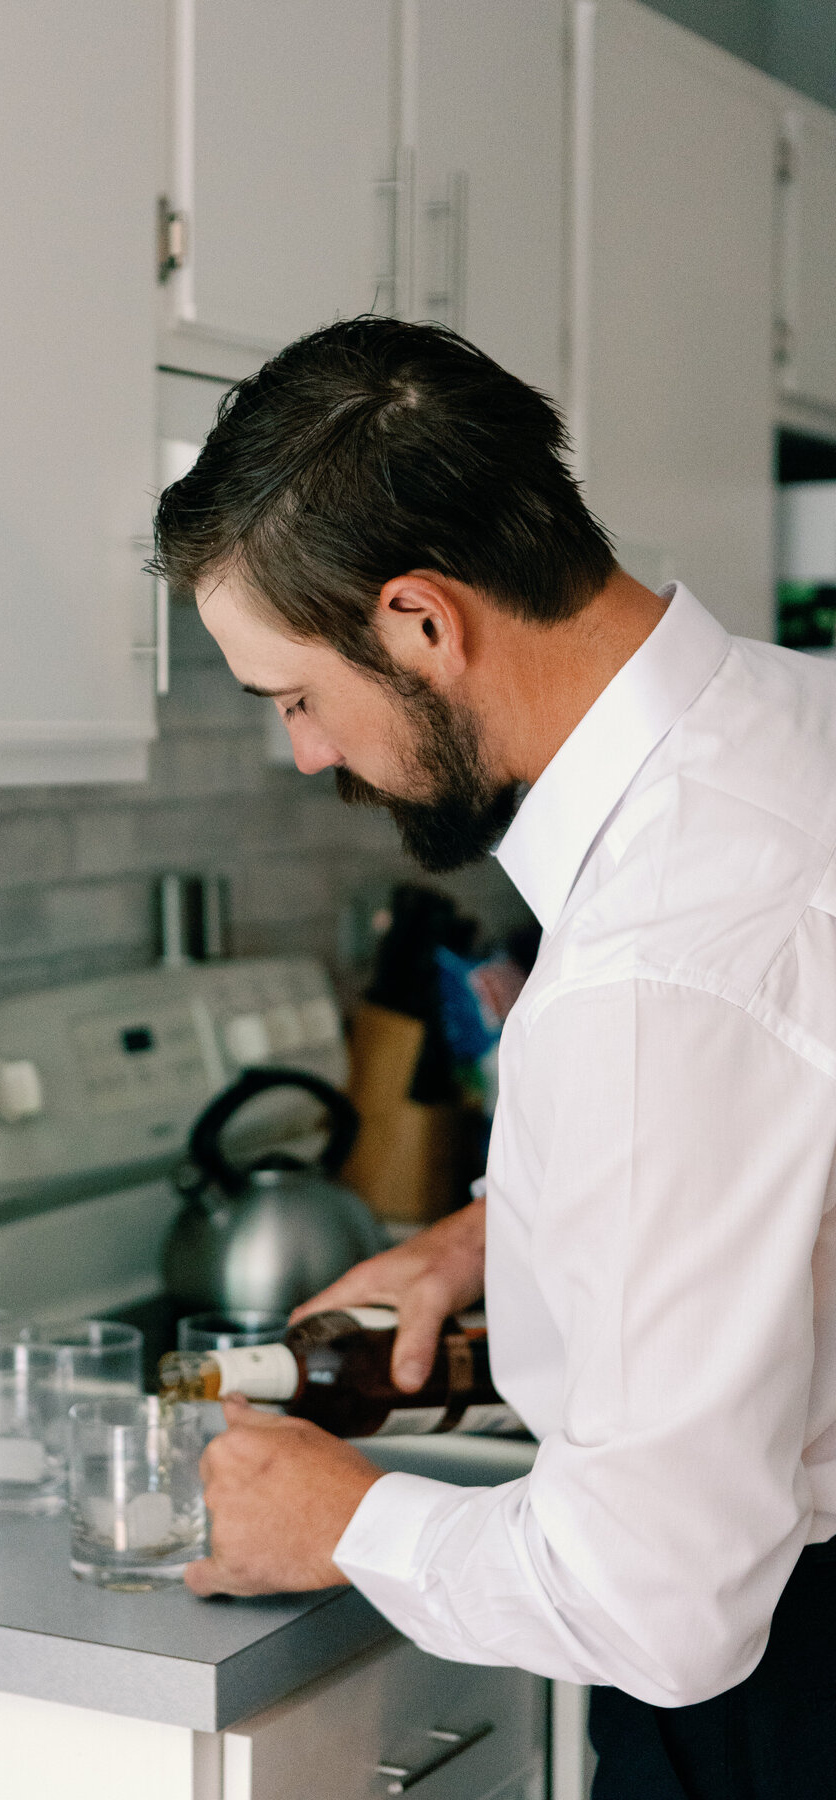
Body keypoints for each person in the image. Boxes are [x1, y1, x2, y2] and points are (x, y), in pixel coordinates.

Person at [151, 317, 836, 1798]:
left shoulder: (647, 979)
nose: (308, 756)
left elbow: (658, 1604)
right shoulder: (794, 717)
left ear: (420, 621)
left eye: (293, 697)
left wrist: (345, 1522)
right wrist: (496, 1232)